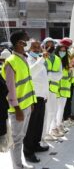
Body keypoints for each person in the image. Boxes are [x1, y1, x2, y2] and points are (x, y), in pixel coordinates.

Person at [2, 30, 37, 169]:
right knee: (16, 140)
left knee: (20, 138)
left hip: (26, 105)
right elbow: (10, 89)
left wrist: (32, 101)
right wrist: (17, 109)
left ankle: (19, 164)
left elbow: (27, 83)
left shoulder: (22, 58)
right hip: (18, 109)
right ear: (19, 43)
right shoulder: (11, 62)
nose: (29, 41)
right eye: (26, 39)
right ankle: (17, 167)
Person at [23, 40, 50, 163]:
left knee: (38, 124)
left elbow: (43, 80)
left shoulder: (39, 59)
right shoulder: (28, 60)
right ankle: (28, 152)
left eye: (38, 46)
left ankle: (35, 145)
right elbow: (31, 73)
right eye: (34, 47)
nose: (37, 49)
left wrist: (45, 95)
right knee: (31, 126)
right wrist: (41, 60)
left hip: (41, 98)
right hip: (32, 98)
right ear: (28, 48)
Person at [42, 37, 63, 141]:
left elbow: (60, 74)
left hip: (53, 88)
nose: (50, 47)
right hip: (44, 89)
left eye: (52, 45)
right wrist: (52, 75)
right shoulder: (42, 57)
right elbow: (42, 73)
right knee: (46, 112)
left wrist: (50, 74)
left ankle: (50, 130)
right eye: (48, 45)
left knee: (52, 110)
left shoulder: (58, 59)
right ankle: (45, 133)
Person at [53, 44, 71, 135]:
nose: (63, 52)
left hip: (64, 90)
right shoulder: (55, 60)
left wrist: (71, 73)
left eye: (64, 51)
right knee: (54, 110)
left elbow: (68, 77)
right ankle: (53, 128)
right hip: (56, 90)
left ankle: (59, 125)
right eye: (61, 50)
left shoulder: (66, 62)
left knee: (61, 109)